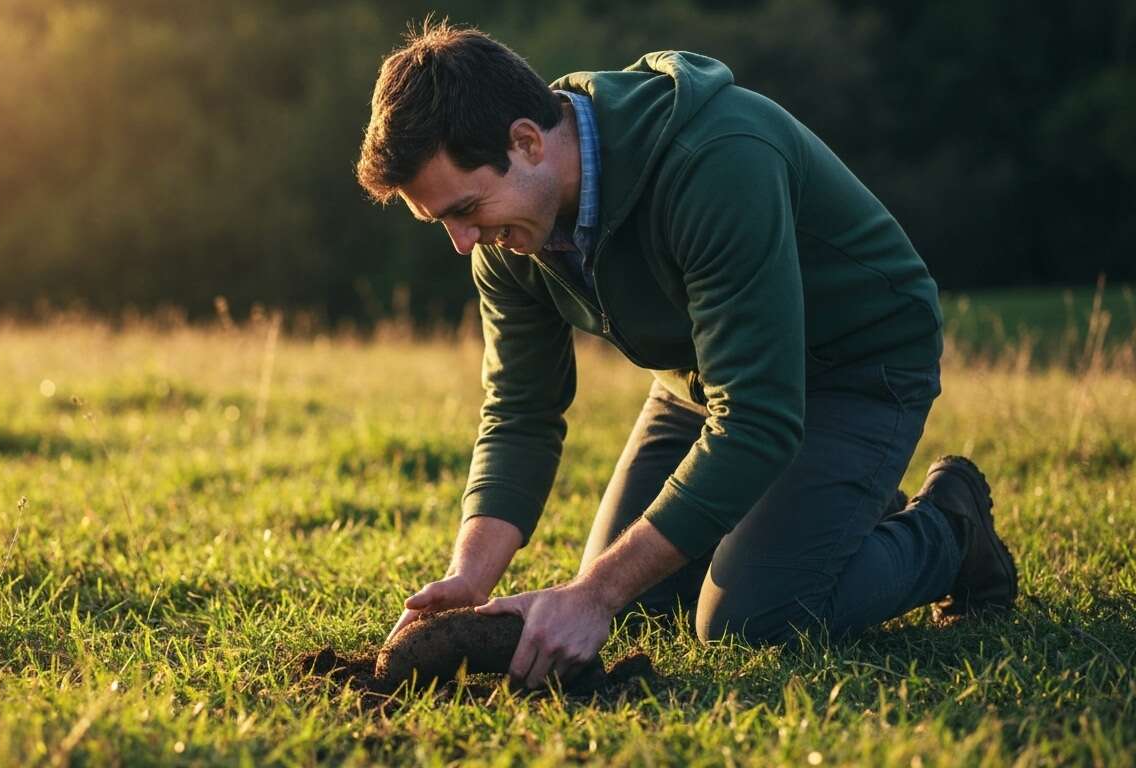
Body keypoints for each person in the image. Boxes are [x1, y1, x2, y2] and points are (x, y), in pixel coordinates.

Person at [356, 21, 1018, 690]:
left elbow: (758, 417)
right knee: (640, 599)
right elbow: (520, 409)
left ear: (526, 142)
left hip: (857, 366)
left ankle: (950, 527)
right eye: (441, 219)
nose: (462, 242)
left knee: (753, 618)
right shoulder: (507, 236)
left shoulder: (716, 159)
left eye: (465, 209)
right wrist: (472, 574)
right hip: (699, 383)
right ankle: (830, 512)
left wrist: (592, 594)